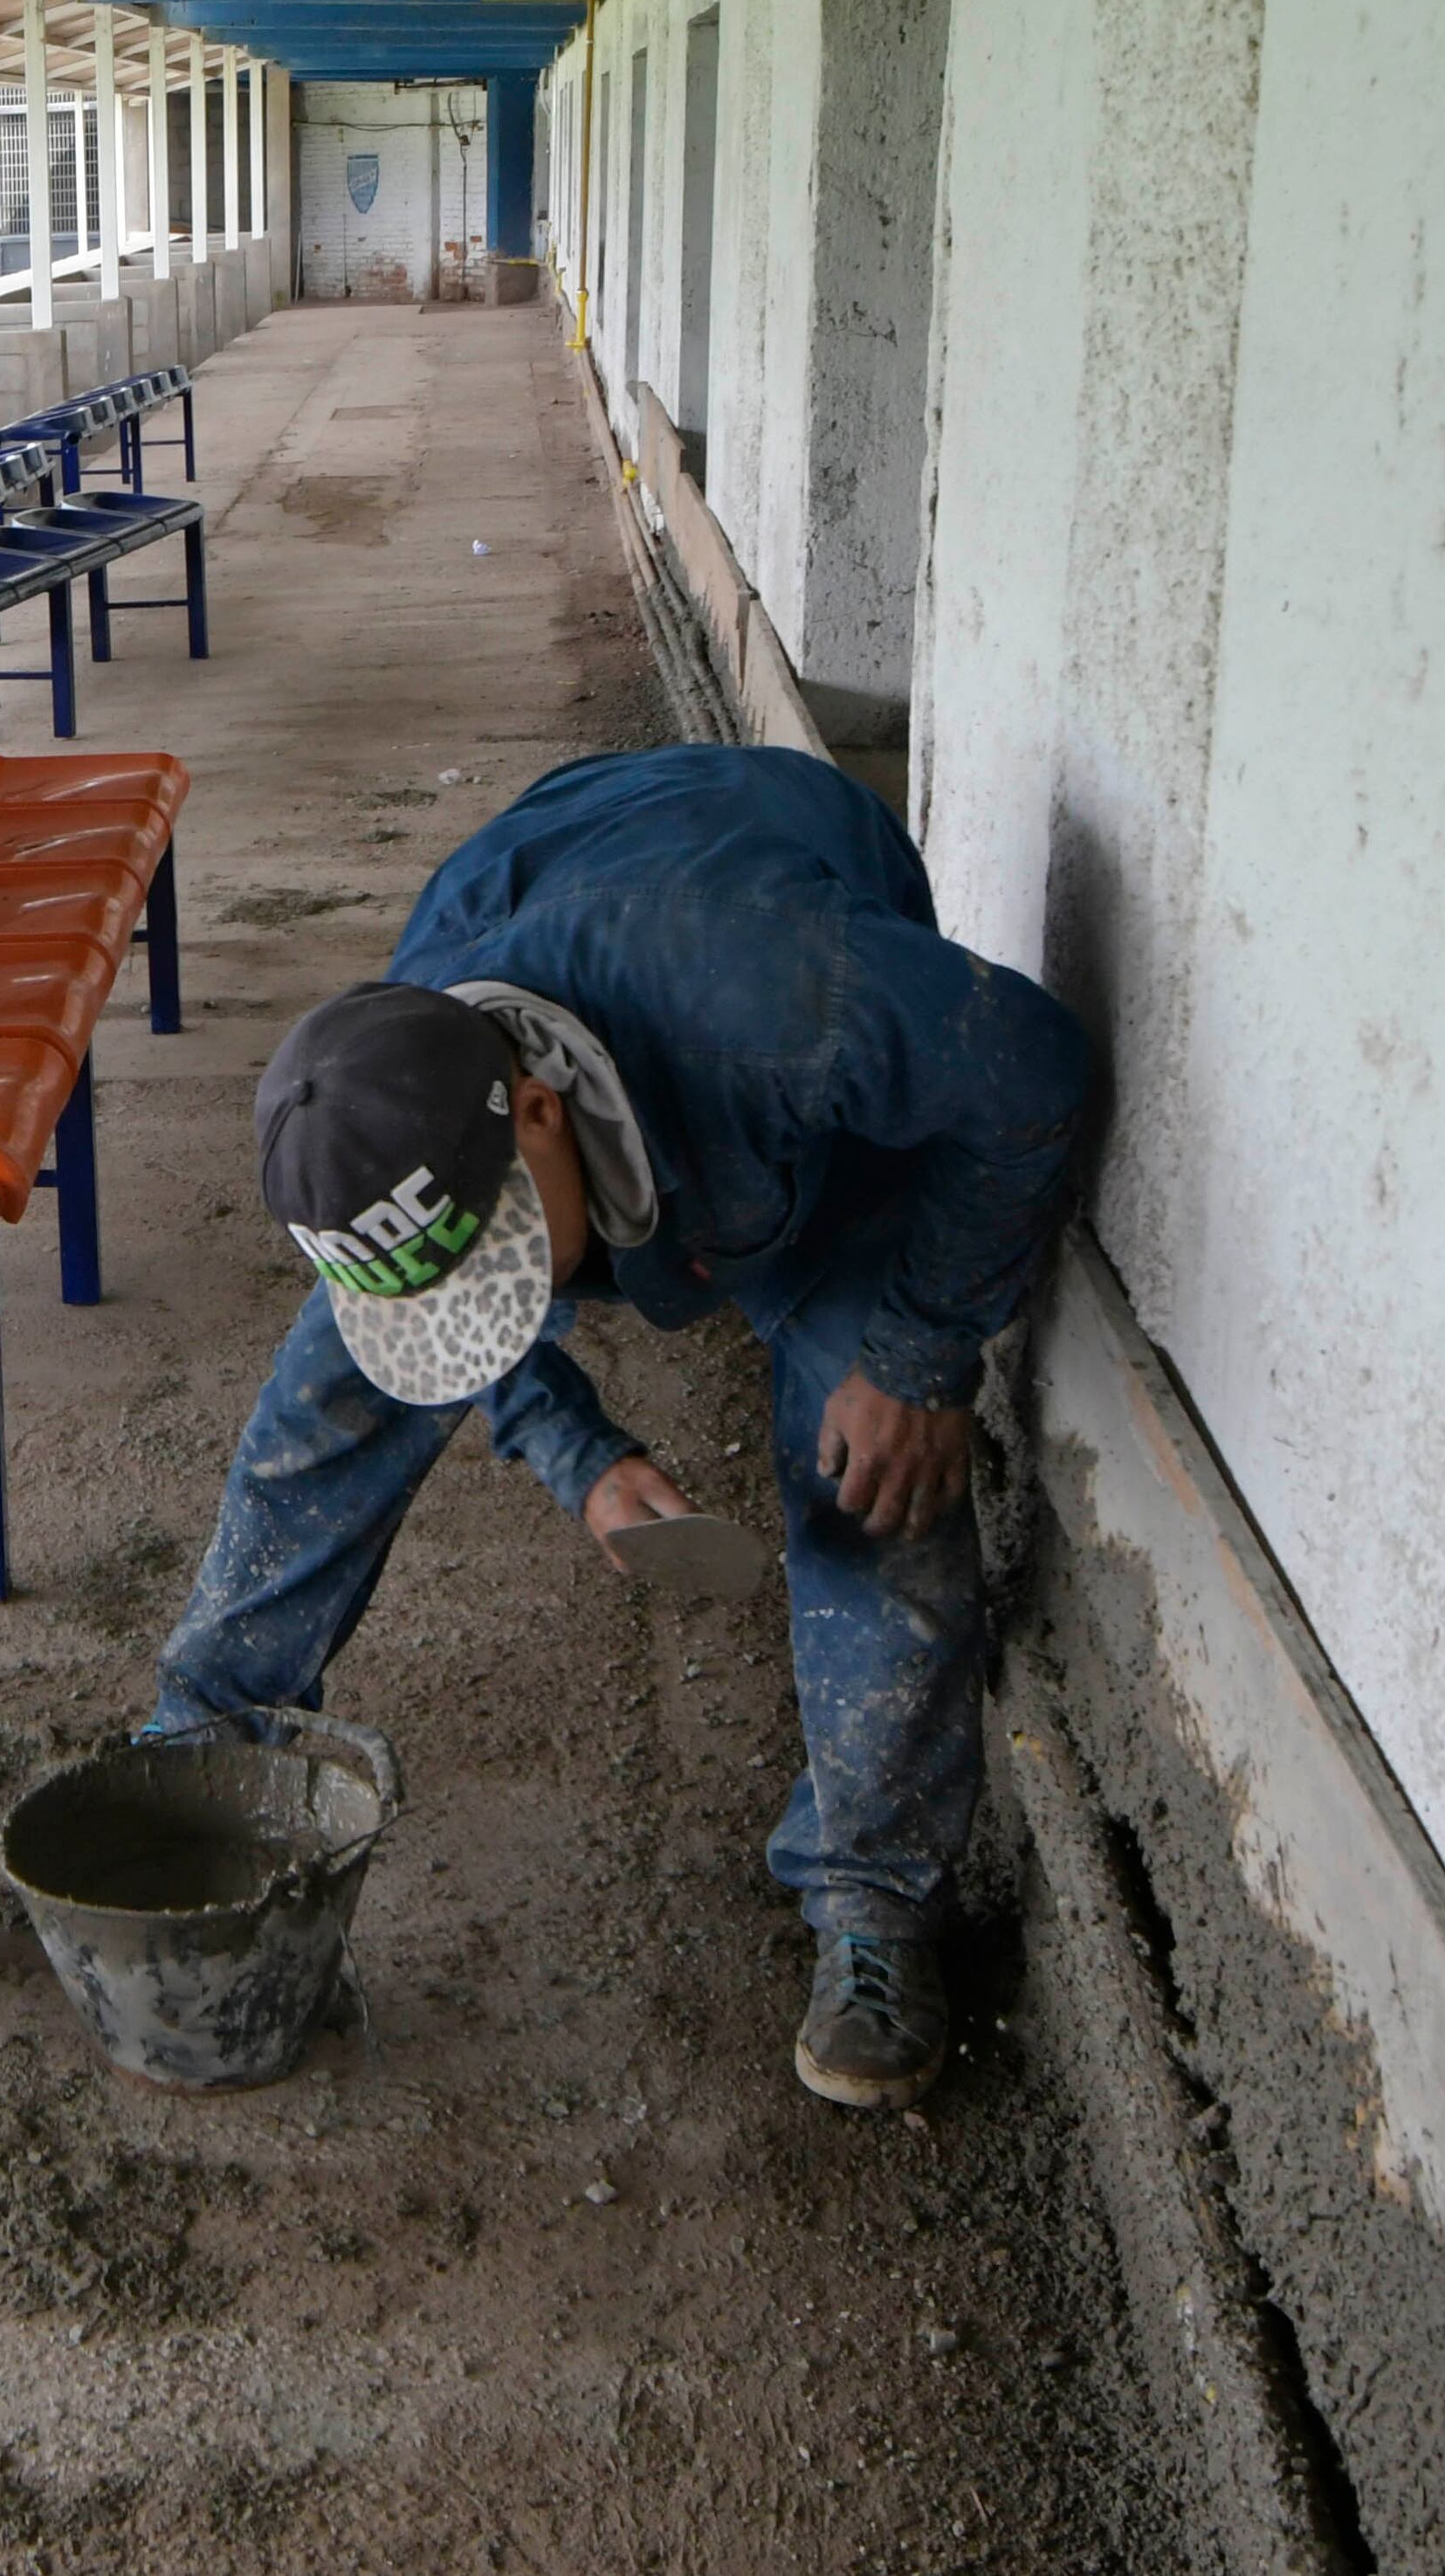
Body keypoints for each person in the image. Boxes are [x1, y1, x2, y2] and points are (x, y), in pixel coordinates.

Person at [146, 745, 1092, 2110]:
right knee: (328, 1404)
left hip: (760, 940)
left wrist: (925, 1353)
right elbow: (447, 1331)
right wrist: (577, 1453)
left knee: (867, 1471)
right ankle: (196, 1747)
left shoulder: (782, 1002)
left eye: (500, 1258)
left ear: (539, 1110)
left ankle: (874, 1906)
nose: (487, 1298)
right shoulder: (380, 1104)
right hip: (575, 866)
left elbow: (1032, 1072)